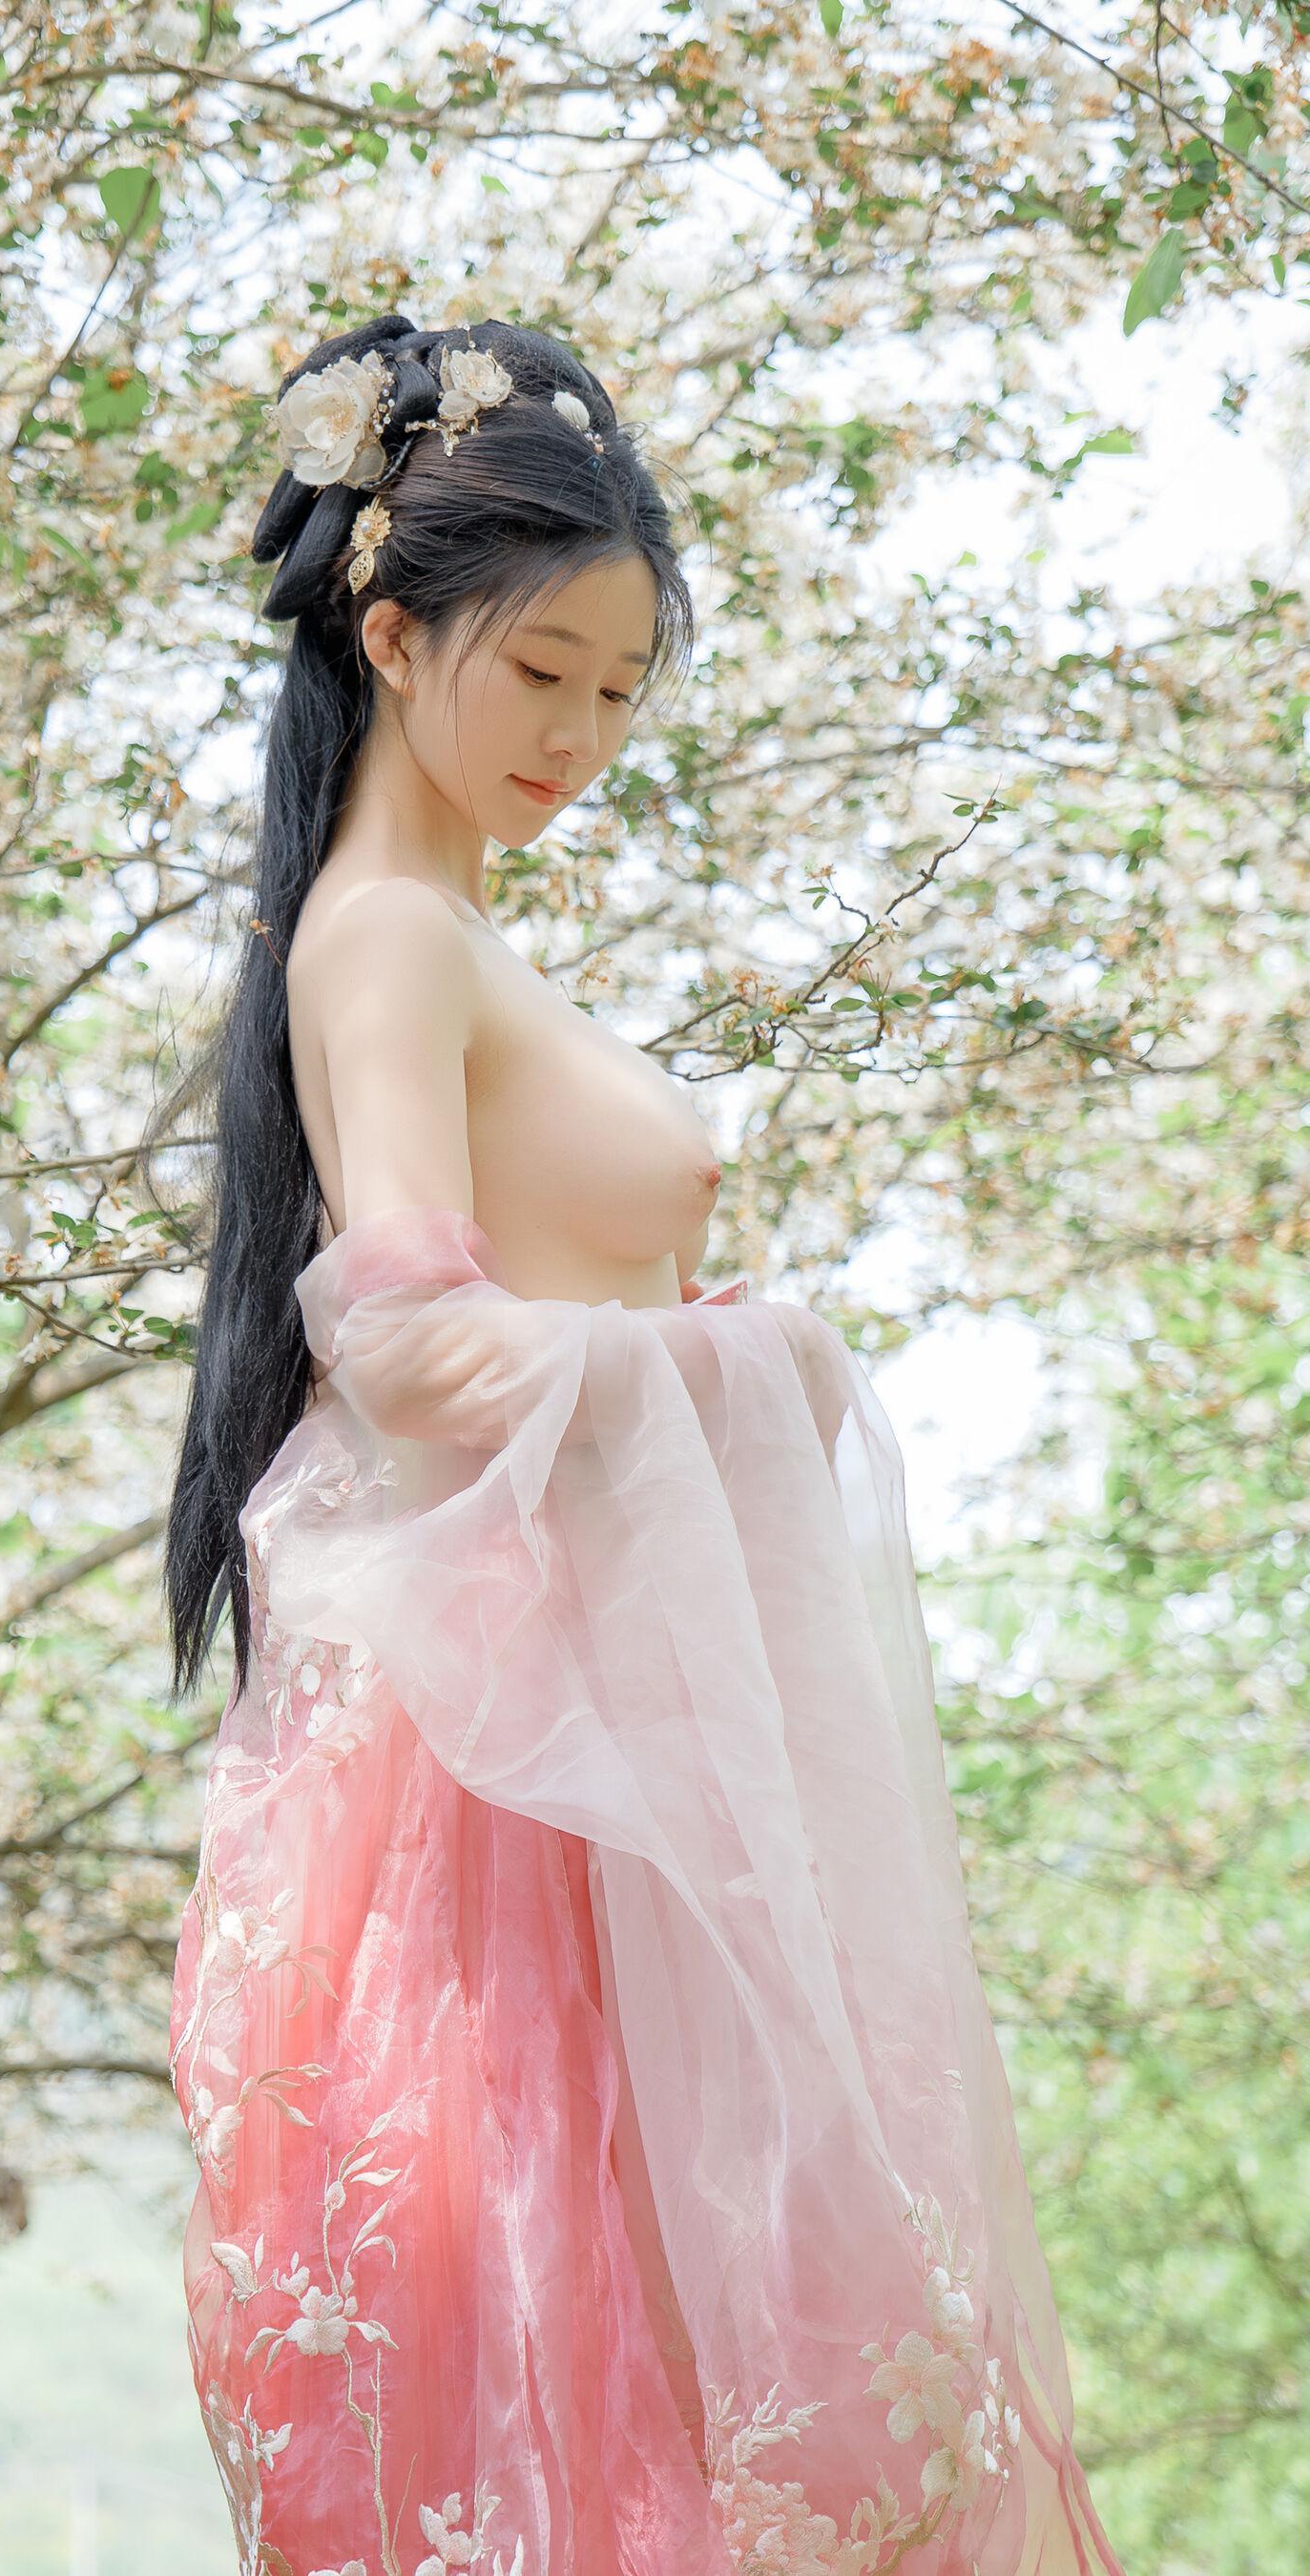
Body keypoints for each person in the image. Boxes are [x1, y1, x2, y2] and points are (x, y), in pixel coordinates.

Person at [162, 316, 1126, 2576]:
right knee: (587, 2365)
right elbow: (407, 1339)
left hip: (575, 1729)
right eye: (541, 675)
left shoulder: (445, 936)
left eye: (618, 690)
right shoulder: (386, 941)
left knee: (677, 2372)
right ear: (391, 637)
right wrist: (750, 1362)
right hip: (511, 1776)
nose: (579, 739)